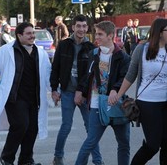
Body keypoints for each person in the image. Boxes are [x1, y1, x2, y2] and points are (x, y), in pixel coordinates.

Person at [0, 22, 51, 165]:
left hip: (34, 98)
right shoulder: (6, 51)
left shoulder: (40, 53)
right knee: (20, 125)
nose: (32, 36)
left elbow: (47, 75)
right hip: (14, 97)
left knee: (32, 128)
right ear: (19, 35)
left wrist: (55, 90)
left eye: (33, 33)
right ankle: (7, 157)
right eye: (28, 33)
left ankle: (26, 160)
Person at [110, 18, 167, 165]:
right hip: (148, 103)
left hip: (166, 102)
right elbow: (130, 75)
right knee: (153, 145)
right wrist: (119, 94)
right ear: (159, 32)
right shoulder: (142, 49)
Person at [75, 21, 130, 165]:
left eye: (100, 34)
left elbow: (125, 77)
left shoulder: (123, 57)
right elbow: (86, 76)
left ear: (110, 35)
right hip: (96, 105)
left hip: (117, 104)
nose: (96, 37)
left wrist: (115, 89)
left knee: (123, 144)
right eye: (96, 33)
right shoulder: (93, 54)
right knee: (90, 142)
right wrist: (80, 91)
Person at [50, 15, 104, 165]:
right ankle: (58, 156)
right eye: (78, 26)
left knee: (91, 128)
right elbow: (56, 68)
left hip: (85, 94)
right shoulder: (64, 45)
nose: (81, 29)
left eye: (84, 26)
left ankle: (98, 161)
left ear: (87, 28)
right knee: (66, 126)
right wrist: (54, 89)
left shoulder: (92, 48)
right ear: (73, 27)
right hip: (67, 91)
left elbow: (91, 75)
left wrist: (82, 92)